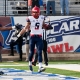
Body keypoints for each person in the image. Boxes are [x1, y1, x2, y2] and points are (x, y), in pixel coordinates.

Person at [17, 6, 53, 72]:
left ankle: (40, 67)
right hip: (32, 37)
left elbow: (43, 25)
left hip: (39, 37)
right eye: (35, 12)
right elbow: (25, 28)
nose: (36, 14)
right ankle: (30, 63)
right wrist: (19, 34)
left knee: (39, 52)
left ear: (39, 12)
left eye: (37, 12)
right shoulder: (30, 19)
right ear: (32, 12)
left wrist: (47, 27)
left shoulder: (42, 18)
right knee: (32, 52)